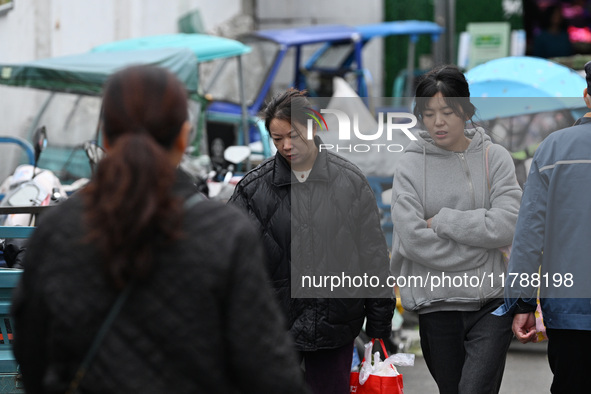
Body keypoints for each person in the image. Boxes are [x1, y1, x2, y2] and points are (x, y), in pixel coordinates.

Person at [10, 65, 308, 394]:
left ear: (106, 138)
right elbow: (267, 367)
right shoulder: (223, 234)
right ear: (183, 137)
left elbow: (31, 350)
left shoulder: (57, 229)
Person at [228, 88, 394, 394]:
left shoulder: (350, 183)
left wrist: (379, 326)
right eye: (277, 139)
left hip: (335, 323)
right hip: (274, 328)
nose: (287, 146)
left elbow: (373, 256)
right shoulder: (253, 190)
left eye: (294, 135)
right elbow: (230, 259)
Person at [390, 65, 522, 394]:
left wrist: (446, 221)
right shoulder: (409, 165)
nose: (438, 121)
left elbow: (508, 223)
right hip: (437, 305)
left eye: (447, 111)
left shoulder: (496, 158)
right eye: (429, 113)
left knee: (475, 389)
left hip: (491, 303)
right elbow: (412, 238)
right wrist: (481, 245)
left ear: (464, 109)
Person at [494, 61, 591, 394]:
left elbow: (528, 235)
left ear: (586, 96)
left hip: (570, 309)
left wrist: (521, 304)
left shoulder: (554, 149)